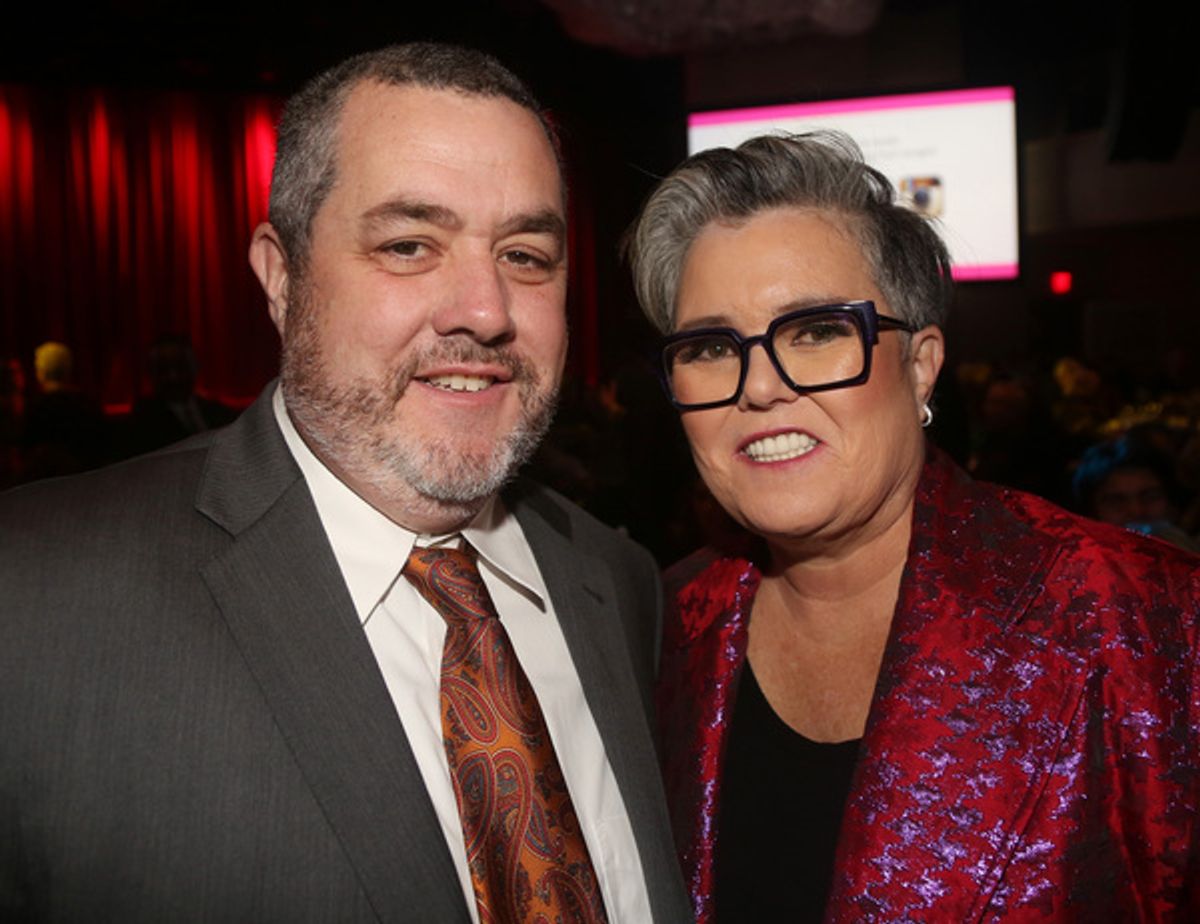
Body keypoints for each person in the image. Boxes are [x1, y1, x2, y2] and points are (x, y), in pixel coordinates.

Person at [0, 43, 691, 923]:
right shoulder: (33, 597)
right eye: (409, 246)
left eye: (525, 255)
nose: (485, 311)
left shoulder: (622, 586)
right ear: (281, 278)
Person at [625, 132, 1200, 921]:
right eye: (711, 347)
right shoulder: (656, 631)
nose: (758, 387)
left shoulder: (1149, 623)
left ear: (921, 364)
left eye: (817, 331)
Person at [124, 333, 237, 455]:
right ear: (152, 375)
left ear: (194, 368)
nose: (173, 377)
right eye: (163, 370)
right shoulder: (144, 420)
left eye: (180, 367)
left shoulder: (218, 411)